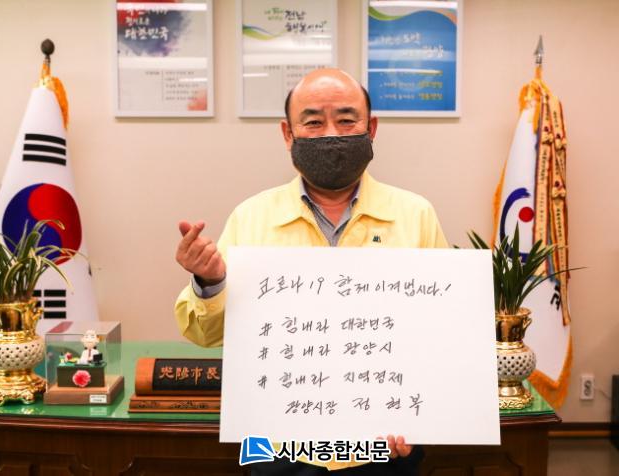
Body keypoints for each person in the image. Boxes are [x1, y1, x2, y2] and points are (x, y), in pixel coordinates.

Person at [174, 68, 447, 475]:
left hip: (382, 443)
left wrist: (420, 416)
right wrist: (210, 282)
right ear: (288, 133)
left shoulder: (415, 214)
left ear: (371, 128)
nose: (331, 134)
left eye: (347, 120)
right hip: (279, 444)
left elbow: (442, 333)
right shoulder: (252, 217)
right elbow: (204, 334)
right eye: (314, 122)